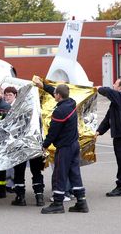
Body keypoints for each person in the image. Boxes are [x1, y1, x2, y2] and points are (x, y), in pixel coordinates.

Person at [33, 76, 89, 214]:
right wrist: (43, 85)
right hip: (74, 145)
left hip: (65, 148)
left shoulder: (60, 111)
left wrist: (44, 145)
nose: (54, 95)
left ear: (58, 96)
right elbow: (55, 91)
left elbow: (53, 132)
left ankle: (58, 203)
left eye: (55, 94)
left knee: (60, 174)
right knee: (74, 173)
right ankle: (81, 202)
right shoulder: (71, 102)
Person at [5, 81, 46, 207]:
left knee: (19, 173)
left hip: (20, 146)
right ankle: (39, 197)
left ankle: (20, 197)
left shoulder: (16, 109)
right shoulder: (37, 110)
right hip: (35, 145)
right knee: (37, 172)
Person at [3, 86, 18, 193]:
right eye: (6, 94)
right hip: (5, 139)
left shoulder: (17, 107)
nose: (7, 97)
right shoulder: (4, 106)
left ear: (15, 96)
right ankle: (8, 184)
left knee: (14, 163)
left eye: (10, 95)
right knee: (7, 163)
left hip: (14, 139)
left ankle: (14, 184)